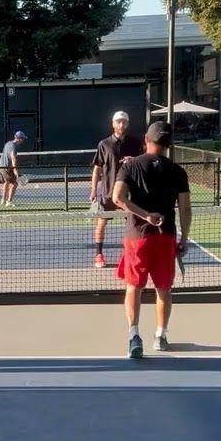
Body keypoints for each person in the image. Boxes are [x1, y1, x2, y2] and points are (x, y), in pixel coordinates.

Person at [111, 120, 192, 359]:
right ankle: (160, 335)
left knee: (133, 287)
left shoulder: (130, 166)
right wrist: (184, 239)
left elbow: (117, 198)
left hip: (137, 238)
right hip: (166, 237)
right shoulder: (178, 172)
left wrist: (145, 215)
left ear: (147, 139)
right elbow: (185, 208)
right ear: (168, 144)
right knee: (163, 289)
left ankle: (134, 335)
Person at [89, 111, 141, 268]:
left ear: (128, 124)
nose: (121, 124)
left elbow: (142, 164)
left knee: (133, 224)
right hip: (108, 193)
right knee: (101, 223)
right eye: (118, 122)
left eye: (124, 122)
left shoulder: (135, 143)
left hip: (129, 193)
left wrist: (134, 160)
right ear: (113, 124)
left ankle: (131, 254)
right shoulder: (104, 144)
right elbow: (97, 169)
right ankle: (99, 254)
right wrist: (93, 190)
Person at [0, 130, 26, 207]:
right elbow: (13, 158)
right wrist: (16, 172)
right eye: (23, 139)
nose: (23, 141)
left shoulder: (8, 143)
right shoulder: (14, 146)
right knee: (14, 183)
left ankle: (3, 200)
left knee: (6, 182)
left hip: (0, 166)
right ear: (20, 139)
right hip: (6, 167)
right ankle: (9, 202)